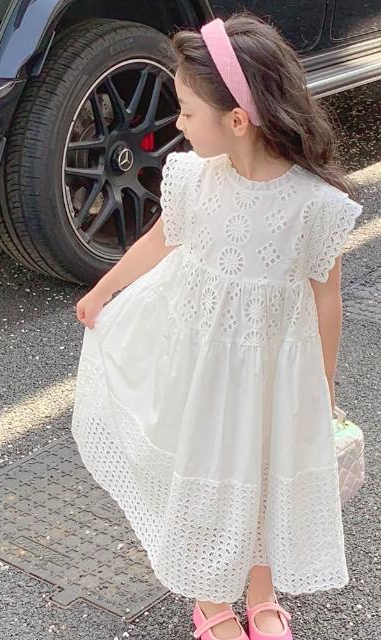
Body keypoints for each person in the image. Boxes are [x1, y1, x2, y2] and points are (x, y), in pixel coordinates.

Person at [71, 12, 363, 640]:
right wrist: (103, 289)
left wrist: (323, 384)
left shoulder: (314, 204)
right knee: (209, 475)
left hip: (270, 373)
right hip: (198, 365)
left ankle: (262, 594)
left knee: (261, 478)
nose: (177, 124)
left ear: (236, 120)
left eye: (186, 111)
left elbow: (327, 297)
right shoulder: (193, 180)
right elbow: (162, 240)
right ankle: (210, 601)